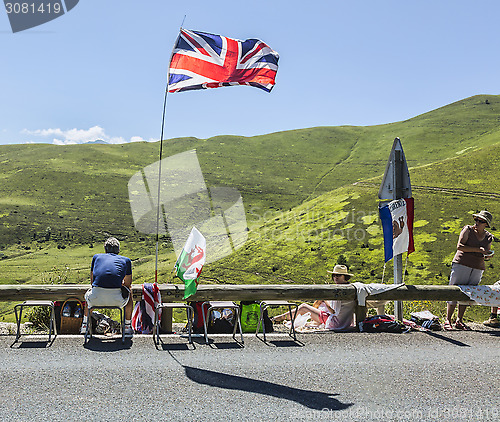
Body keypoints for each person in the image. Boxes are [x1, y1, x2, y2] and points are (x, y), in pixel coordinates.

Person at [445, 211, 494, 331]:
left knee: (468, 292)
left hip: (477, 267)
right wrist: (478, 250)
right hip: (461, 263)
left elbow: (485, 253)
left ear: (486, 224)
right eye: (476, 220)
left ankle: (459, 320)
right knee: (454, 290)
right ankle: (448, 319)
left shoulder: (489, 237)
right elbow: (460, 246)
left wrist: (487, 255)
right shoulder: (467, 229)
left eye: (480, 221)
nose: (477, 222)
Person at [272, 264, 356, 331]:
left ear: (344, 276)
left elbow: (332, 310)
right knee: (316, 304)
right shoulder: (350, 288)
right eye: (334, 275)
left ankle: (276, 319)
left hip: (335, 323)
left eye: (339, 275)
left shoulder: (339, 291)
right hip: (346, 322)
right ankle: (277, 318)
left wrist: (325, 298)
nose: (335, 277)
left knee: (303, 307)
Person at [80, 237, 134, 337]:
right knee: (130, 293)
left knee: (89, 296)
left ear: (105, 249)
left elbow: (93, 282)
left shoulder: (96, 257)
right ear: (118, 250)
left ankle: (85, 325)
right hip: (117, 300)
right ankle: (127, 326)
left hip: (95, 299)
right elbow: (128, 284)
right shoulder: (126, 260)